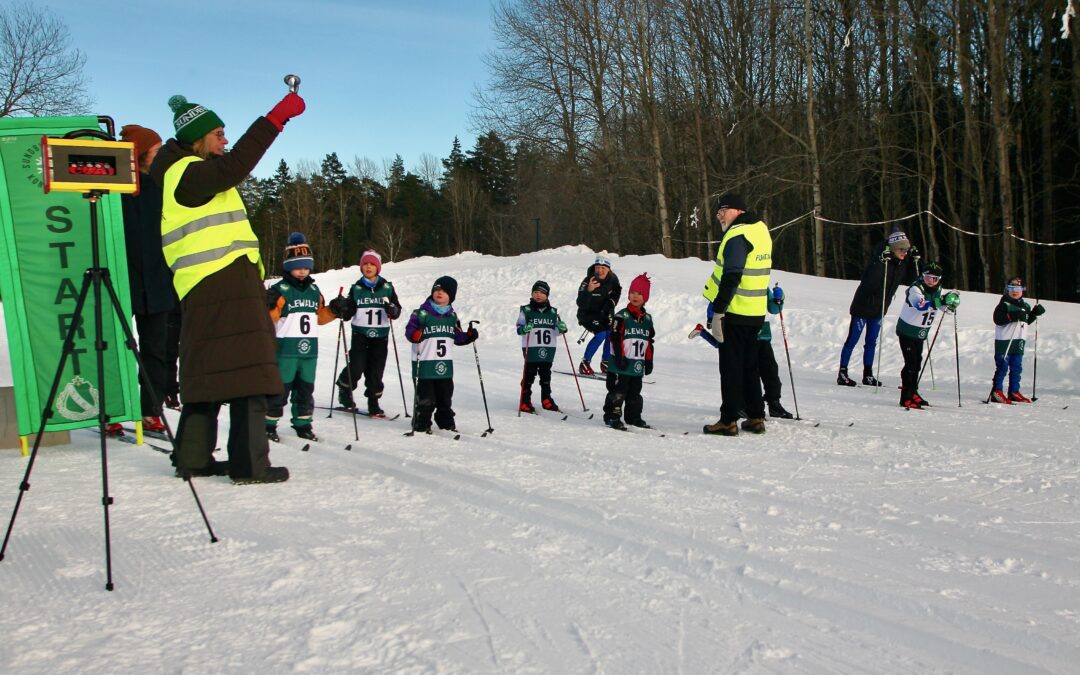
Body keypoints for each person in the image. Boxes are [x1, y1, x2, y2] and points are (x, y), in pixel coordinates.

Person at [149, 90, 305, 483]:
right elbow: (236, 167)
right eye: (218, 134)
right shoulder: (187, 172)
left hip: (206, 286)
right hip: (224, 283)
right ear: (198, 138)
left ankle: (194, 458)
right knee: (249, 372)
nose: (225, 141)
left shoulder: (180, 174)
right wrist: (274, 119)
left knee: (208, 373)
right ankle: (250, 464)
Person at [118, 124, 175, 437]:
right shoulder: (115, 188)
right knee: (113, 347)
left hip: (157, 283)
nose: (160, 153)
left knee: (156, 351)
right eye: (155, 149)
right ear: (140, 153)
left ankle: (151, 411)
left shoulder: (162, 185)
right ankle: (111, 409)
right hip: (122, 279)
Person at [702, 194, 772, 436]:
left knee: (731, 368)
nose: (719, 215)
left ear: (738, 211)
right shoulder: (760, 230)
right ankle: (755, 416)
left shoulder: (737, 235)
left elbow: (732, 276)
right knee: (750, 367)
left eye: (724, 210)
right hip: (755, 313)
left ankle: (728, 419)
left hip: (736, 311)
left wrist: (719, 310)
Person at [265, 233, 339, 442]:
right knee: (280, 390)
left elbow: (320, 317)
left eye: (306, 267)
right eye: (298, 267)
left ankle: (303, 423)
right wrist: (267, 305)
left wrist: (334, 310)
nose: (302, 271)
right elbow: (270, 319)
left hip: (309, 353)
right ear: (288, 267)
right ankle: (268, 423)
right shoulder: (281, 290)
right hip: (286, 351)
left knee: (305, 390)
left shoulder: (314, 291)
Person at [690, 284, 793, 419]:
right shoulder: (732, 280)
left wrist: (779, 298)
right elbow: (716, 300)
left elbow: (774, 309)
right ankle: (744, 406)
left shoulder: (761, 284)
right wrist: (711, 317)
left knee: (770, 370)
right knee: (746, 371)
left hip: (761, 333)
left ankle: (774, 403)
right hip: (738, 330)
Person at [837, 228, 919, 387]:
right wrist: (880, 263)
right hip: (862, 307)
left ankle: (868, 374)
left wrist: (916, 261)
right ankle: (842, 372)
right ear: (894, 248)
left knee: (871, 342)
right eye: (901, 249)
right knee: (852, 340)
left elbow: (913, 280)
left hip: (879, 309)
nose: (904, 253)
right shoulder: (879, 259)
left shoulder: (901, 263)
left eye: (906, 250)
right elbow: (868, 282)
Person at [330, 249, 403, 416]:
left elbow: (397, 310)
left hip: (380, 336)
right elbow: (348, 314)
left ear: (378, 268)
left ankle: (373, 401)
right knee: (357, 366)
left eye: (372, 264)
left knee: (376, 371)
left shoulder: (387, 288)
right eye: (365, 264)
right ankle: (345, 389)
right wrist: (342, 307)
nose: (368, 267)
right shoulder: (356, 288)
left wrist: (392, 310)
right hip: (360, 335)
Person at [405, 276, 478, 433]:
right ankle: (421, 423)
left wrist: (468, 336)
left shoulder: (452, 317)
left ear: (451, 296)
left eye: (444, 291)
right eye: (437, 289)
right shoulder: (421, 314)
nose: (439, 293)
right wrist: (415, 334)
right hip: (424, 364)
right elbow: (409, 332)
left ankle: (445, 421)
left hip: (444, 366)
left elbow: (456, 337)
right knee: (426, 398)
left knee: (445, 398)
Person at [895, 261, 959, 408]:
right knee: (911, 363)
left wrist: (951, 304)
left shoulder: (938, 289)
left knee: (917, 362)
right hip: (907, 331)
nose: (931, 281)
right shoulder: (915, 289)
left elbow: (945, 309)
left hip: (920, 333)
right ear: (922, 276)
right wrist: (942, 300)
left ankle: (913, 392)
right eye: (928, 277)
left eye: (935, 278)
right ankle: (906, 397)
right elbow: (920, 305)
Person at [603, 274, 655, 430]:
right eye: (632, 292)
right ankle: (612, 417)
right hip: (620, 364)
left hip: (636, 365)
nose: (635, 296)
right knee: (618, 392)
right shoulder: (621, 316)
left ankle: (633, 417)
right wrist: (619, 357)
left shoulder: (647, 319)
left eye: (639, 293)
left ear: (645, 297)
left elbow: (648, 342)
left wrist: (649, 360)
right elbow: (614, 337)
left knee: (634, 393)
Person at [988, 276, 1046, 404]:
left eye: (1018, 288)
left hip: (1018, 341)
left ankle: (1014, 391)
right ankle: (996, 391)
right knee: (1002, 366)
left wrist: (1034, 314)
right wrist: (1012, 316)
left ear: (1023, 290)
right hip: (1005, 341)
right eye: (1011, 288)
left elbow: (1025, 320)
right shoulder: (1004, 304)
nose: (1015, 291)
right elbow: (998, 319)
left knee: (1016, 367)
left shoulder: (1024, 305)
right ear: (1007, 289)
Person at [516, 280, 568, 413]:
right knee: (529, 374)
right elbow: (519, 328)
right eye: (535, 292)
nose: (538, 295)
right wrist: (524, 329)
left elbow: (556, 331)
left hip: (548, 348)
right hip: (531, 347)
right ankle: (525, 400)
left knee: (546, 375)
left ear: (547, 295)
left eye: (542, 293)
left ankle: (546, 398)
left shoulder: (553, 312)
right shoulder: (526, 310)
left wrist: (562, 329)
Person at [576, 252, 621, 375]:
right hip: (587, 314)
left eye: (603, 268)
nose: (600, 271)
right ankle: (585, 363)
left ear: (608, 269)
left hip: (604, 313)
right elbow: (580, 302)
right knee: (601, 334)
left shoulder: (613, 278)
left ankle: (606, 362)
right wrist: (589, 291)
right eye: (597, 267)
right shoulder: (588, 280)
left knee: (610, 334)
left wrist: (612, 302)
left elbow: (617, 291)